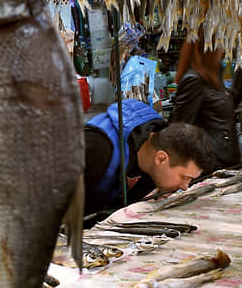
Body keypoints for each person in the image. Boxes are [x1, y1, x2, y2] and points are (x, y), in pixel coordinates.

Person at [83, 98, 214, 220]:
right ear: (161, 158)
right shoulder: (97, 150)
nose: (185, 187)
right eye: (184, 177)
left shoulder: (154, 153)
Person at [170, 29, 242, 170]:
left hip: (226, 158)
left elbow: (228, 105)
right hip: (213, 163)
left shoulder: (213, 77)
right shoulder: (194, 80)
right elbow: (181, 128)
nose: (223, 51)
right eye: (220, 45)